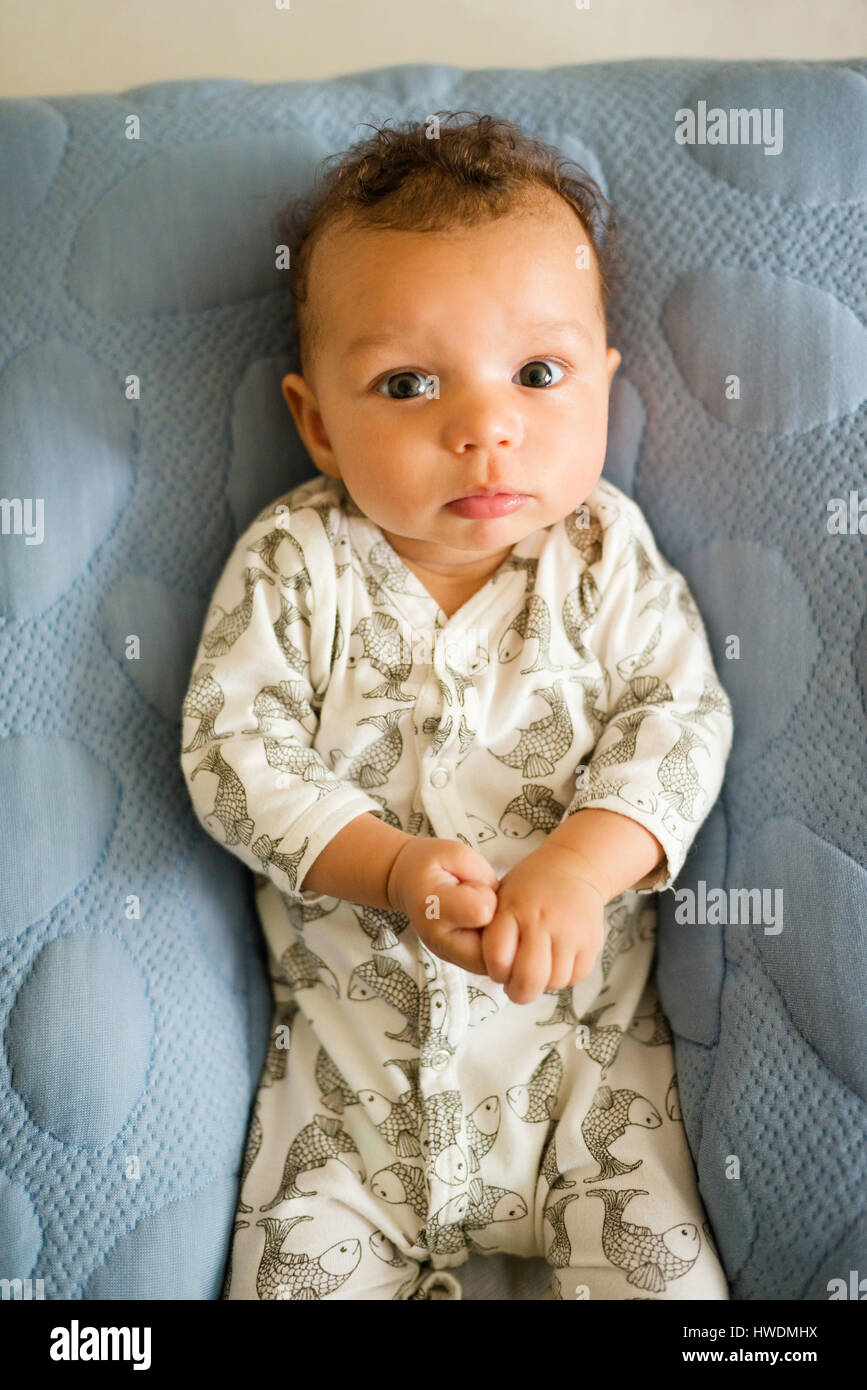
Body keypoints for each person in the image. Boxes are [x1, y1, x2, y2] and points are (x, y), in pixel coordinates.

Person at [180, 112, 733, 1300]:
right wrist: (389, 868)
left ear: (603, 385)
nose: (484, 426)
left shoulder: (600, 557)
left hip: (590, 1090)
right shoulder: (298, 564)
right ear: (317, 420)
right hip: (348, 1113)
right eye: (409, 382)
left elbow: (681, 721)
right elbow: (234, 751)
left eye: (539, 374)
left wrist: (583, 866)